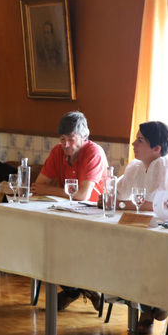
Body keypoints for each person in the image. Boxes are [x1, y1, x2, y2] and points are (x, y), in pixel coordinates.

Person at [25, 111, 108, 312]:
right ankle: (79, 289)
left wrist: (51, 191)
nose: (66, 145)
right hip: (65, 214)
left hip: (96, 219)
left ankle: (75, 289)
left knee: (60, 248)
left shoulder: (94, 152)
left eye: (71, 139)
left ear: (84, 137)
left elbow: (82, 196)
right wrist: (57, 192)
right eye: (63, 140)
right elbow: (38, 186)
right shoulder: (57, 152)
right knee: (43, 245)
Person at [114, 120, 168, 333]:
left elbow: (151, 204)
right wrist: (118, 202)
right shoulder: (135, 166)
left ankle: (152, 304)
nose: (134, 143)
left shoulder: (163, 165)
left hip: (160, 230)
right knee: (117, 246)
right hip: (135, 225)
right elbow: (115, 196)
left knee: (138, 250)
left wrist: (121, 204)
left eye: (140, 140)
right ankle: (145, 304)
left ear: (157, 148)